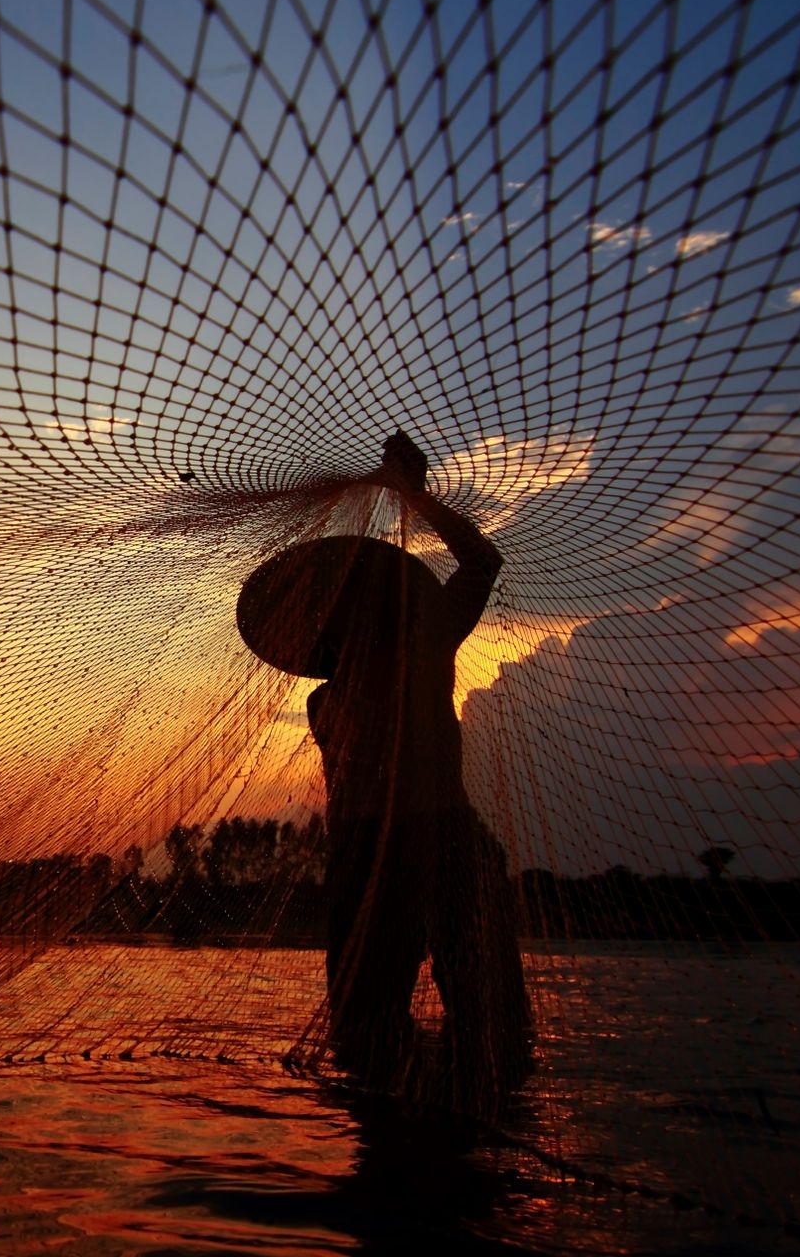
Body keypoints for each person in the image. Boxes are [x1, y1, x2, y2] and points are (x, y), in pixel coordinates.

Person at [305, 432, 531, 1109]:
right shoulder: (409, 650)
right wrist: (411, 495)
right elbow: (481, 561)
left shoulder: (355, 680)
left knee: (456, 1033)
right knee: (392, 1036)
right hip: (395, 854)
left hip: (406, 849)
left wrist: (410, 496)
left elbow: (483, 561)